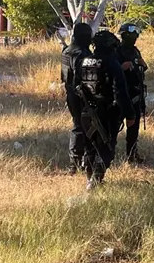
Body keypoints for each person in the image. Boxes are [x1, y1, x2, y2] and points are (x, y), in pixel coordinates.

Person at [77, 30, 136, 190]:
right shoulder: (111, 63)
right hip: (107, 112)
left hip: (86, 112)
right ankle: (95, 182)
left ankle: (90, 178)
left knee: (90, 147)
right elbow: (120, 92)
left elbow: (75, 86)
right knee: (106, 149)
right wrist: (130, 114)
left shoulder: (83, 61)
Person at [61, 23, 94, 175]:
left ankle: (76, 161)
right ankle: (78, 162)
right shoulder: (82, 53)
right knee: (82, 127)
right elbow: (88, 79)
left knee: (78, 125)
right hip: (81, 95)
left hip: (70, 92)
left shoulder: (67, 50)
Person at [116, 23, 148, 163]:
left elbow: (141, 69)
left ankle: (132, 155)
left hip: (135, 94)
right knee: (114, 126)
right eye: (131, 34)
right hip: (120, 95)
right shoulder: (116, 51)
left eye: (136, 34)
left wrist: (143, 65)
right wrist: (121, 68)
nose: (134, 37)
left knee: (134, 128)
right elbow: (110, 71)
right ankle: (108, 153)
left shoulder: (135, 51)